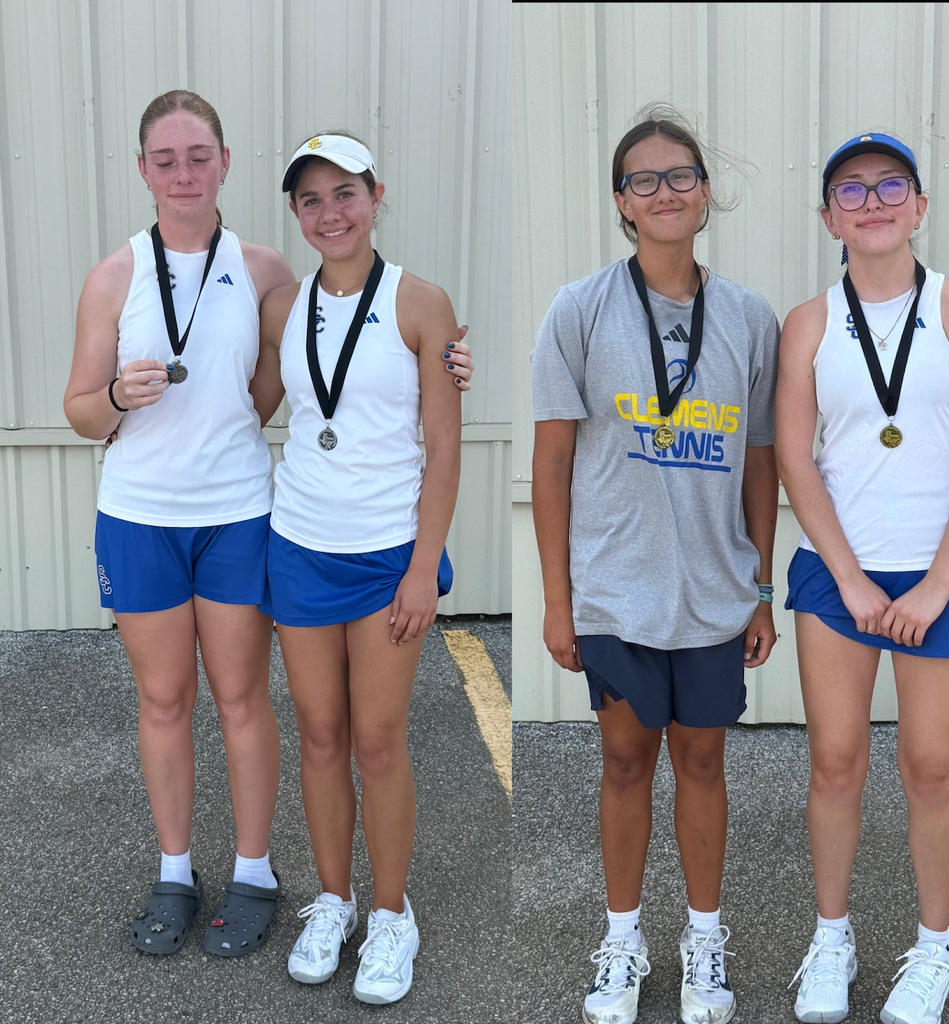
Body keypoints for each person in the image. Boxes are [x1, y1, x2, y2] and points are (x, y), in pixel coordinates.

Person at [63, 91, 473, 959]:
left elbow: (328, 386)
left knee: (281, 710)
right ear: (142, 170)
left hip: (252, 516)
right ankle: (192, 874)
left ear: (224, 161)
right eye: (165, 158)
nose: (183, 172)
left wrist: (449, 358)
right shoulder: (128, 280)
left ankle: (282, 881)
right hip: (162, 520)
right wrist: (111, 400)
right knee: (183, 702)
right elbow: (97, 409)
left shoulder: (264, 276)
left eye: (199, 154)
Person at [531, 106, 780, 1024]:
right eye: (645, 179)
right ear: (620, 201)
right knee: (627, 760)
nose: (665, 190)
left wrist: (760, 587)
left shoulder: (750, 317)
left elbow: (762, 459)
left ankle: (704, 941)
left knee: (705, 763)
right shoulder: (580, 309)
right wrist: (560, 602)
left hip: (715, 594)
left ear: (705, 193)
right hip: (617, 590)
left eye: (682, 175)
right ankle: (623, 938)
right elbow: (552, 461)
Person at [777, 133, 949, 1024]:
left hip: (938, 574)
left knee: (930, 767)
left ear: (919, 207)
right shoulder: (809, 322)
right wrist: (853, 579)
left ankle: (933, 949)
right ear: (829, 216)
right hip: (840, 574)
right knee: (835, 763)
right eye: (852, 189)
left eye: (890, 187)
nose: (872, 203)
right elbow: (798, 460)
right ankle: (830, 937)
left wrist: (933, 586)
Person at [255, 132, 461, 1005]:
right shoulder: (284, 307)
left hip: (385, 557)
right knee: (321, 735)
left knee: (377, 741)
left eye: (345, 193)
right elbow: (257, 406)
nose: (330, 212)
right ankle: (332, 901)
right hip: (299, 543)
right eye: (311, 200)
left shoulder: (421, 303)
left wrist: (422, 568)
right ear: (297, 217)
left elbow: (445, 448)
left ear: (377, 195)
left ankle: (389, 914)